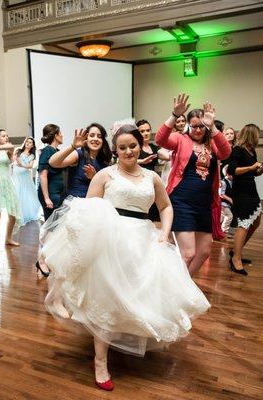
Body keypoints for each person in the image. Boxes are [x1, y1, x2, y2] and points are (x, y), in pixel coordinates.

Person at [41, 122, 210, 391]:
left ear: (139, 146)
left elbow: (165, 207)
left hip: (143, 239)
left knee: (135, 297)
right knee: (106, 300)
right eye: (123, 147)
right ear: (116, 150)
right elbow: (88, 212)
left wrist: (164, 233)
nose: (128, 151)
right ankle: (100, 361)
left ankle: (121, 341)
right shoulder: (104, 175)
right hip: (111, 241)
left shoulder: (151, 178)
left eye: (133, 146)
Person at [155, 93, 231, 276]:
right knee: (188, 253)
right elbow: (160, 139)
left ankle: (183, 285)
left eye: (201, 126)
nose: (197, 130)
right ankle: (174, 287)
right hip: (182, 201)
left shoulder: (212, 144)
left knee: (204, 251)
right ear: (189, 125)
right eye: (194, 126)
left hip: (203, 203)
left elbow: (226, 152)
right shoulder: (181, 139)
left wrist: (212, 127)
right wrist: (174, 115)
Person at [226, 124, 263, 275]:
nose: (259, 137)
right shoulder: (237, 150)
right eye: (257, 134)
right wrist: (251, 168)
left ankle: (236, 251)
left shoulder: (251, 151)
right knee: (244, 224)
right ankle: (236, 259)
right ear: (252, 135)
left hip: (251, 189)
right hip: (241, 192)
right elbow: (232, 170)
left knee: (256, 221)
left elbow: (254, 173)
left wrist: (262, 168)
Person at [48, 122, 112, 198]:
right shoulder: (79, 154)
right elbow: (52, 162)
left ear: (103, 141)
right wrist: (73, 146)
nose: (95, 139)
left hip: (96, 202)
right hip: (76, 202)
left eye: (99, 136)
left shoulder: (104, 160)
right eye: (91, 135)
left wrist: (94, 178)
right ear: (86, 139)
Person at [136, 119, 171, 221]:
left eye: (147, 130)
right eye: (142, 131)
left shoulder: (154, 148)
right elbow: (124, 161)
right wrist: (142, 161)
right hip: (138, 183)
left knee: (153, 216)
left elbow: (166, 155)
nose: (145, 133)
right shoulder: (135, 147)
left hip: (152, 184)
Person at [13, 137, 43, 225]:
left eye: (30, 142)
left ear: (32, 145)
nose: (28, 143)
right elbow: (13, 160)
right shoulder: (18, 151)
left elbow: (30, 166)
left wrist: (22, 164)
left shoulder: (32, 155)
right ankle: (15, 214)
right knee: (16, 192)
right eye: (27, 142)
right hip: (16, 173)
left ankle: (24, 214)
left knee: (24, 193)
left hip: (24, 175)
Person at [37, 124, 64, 219]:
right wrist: (47, 198)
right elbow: (43, 175)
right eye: (60, 133)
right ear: (56, 136)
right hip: (51, 195)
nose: (62, 135)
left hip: (57, 194)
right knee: (51, 228)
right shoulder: (47, 150)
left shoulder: (57, 151)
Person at [219, 165, 234, 236]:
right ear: (228, 174)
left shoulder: (231, 182)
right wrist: (230, 199)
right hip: (223, 203)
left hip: (226, 204)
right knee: (229, 216)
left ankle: (218, 230)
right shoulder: (224, 182)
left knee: (221, 218)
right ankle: (224, 230)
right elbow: (221, 194)